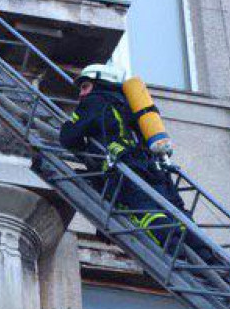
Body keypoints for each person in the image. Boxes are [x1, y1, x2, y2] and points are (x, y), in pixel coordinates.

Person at [59, 60, 184, 240]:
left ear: (100, 84)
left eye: (85, 87)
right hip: (154, 169)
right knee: (178, 216)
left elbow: (69, 138)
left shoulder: (94, 101)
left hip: (125, 170)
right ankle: (203, 253)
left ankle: (172, 248)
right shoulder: (130, 107)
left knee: (147, 215)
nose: (81, 94)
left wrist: (71, 130)